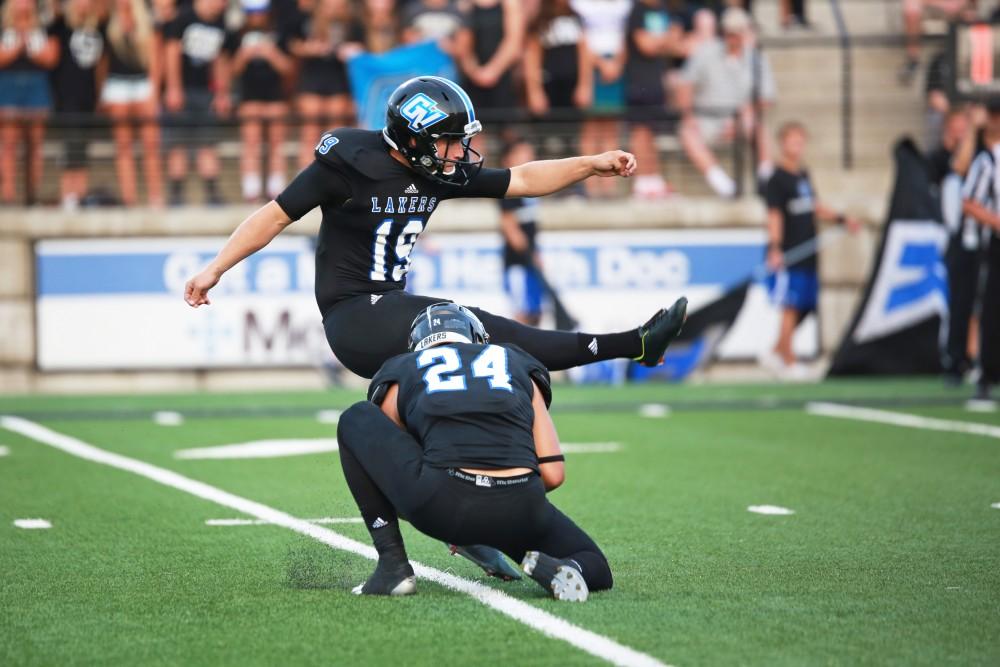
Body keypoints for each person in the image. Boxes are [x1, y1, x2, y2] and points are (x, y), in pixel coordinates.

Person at [184, 75, 688, 381]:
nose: (457, 153)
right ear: (414, 137)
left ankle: (462, 499)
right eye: (448, 141)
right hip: (353, 317)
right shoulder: (350, 161)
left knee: (488, 368)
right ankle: (631, 345)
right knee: (473, 325)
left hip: (388, 312)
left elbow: (524, 179)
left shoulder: (438, 173)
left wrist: (592, 162)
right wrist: (215, 268)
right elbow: (274, 215)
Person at [336, 302, 612, 599]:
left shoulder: (403, 367)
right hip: (521, 506)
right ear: (478, 337)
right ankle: (563, 567)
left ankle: (392, 567)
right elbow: (554, 473)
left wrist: (466, 510)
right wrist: (496, 507)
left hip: (444, 502)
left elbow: (390, 472)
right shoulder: (516, 361)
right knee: (593, 562)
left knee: (356, 418)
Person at [760, 121, 859, 380]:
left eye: (800, 141)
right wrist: (775, 248)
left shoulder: (803, 175)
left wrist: (841, 218)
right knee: (790, 306)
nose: (797, 147)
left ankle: (775, 352)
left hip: (808, 251)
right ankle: (788, 360)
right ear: (782, 144)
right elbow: (774, 215)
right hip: (789, 251)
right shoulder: (777, 180)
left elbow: (813, 206)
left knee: (803, 306)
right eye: (792, 141)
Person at [163, 0, 237, 206]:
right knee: (177, 143)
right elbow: (171, 53)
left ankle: (212, 193)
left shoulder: (221, 24)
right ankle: (176, 195)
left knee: (208, 143)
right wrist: (173, 88)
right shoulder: (183, 18)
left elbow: (220, 61)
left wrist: (222, 94)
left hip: (206, 93)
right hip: (183, 90)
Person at [102, 0, 164, 207]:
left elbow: (155, 59)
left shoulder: (147, 23)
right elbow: (103, 62)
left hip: (142, 84)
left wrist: (154, 93)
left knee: (150, 145)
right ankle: (129, 199)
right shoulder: (108, 23)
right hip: (116, 86)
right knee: (123, 147)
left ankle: (156, 198)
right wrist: (103, 93)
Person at [287, 0, 364, 168]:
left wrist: (352, 50)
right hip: (313, 77)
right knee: (310, 131)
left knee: (335, 132)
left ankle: (333, 174)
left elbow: (363, 48)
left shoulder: (353, 24)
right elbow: (291, 44)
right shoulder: (306, 20)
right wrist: (308, 48)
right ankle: (305, 175)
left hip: (339, 78)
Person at [957, 105, 1000, 404]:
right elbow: (968, 202)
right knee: (991, 310)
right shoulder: (986, 161)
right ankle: (986, 375)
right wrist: (996, 221)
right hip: (994, 243)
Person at [233, 0, 294, 203]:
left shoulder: (280, 34)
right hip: (249, 97)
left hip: (275, 97)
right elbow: (230, 70)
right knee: (251, 143)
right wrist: (244, 56)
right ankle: (251, 190)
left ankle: (276, 190)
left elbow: (289, 69)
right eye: (252, 12)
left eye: (260, 12)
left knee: (277, 144)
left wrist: (271, 54)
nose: (256, 17)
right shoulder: (237, 35)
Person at [0, 0, 60, 205]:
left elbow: (51, 57)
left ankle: (32, 194)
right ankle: (7, 195)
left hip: (36, 86)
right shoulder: (4, 28)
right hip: (8, 86)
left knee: (35, 144)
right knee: (8, 144)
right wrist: (18, 46)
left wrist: (30, 49)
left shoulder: (44, 27)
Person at [624, 0, 684, 200]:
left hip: (657, 79)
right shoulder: (637, 10)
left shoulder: (663, 9)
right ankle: (641, 181)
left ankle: (653, 178)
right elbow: (646, 45)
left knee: (652, 130)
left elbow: (676, 46)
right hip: (638, 79)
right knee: (640, 130)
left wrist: (663, 41)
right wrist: (667, 39)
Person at [571, 0, 630, 198]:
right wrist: (598, 67)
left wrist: (617, 65)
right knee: (591, 128)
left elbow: (624, 36)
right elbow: (582, 40)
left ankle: (608, 188)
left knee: (611, 128)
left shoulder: (623, 5)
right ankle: (591, 188)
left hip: (615, 67)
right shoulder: (580, 5)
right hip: (592, 68)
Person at [49, 0, 105, 209]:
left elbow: (101, 64)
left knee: (82, 148)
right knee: (68, 147)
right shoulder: (61, 25)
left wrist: (100, 95)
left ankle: (79, 195)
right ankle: (67, 195)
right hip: (65, 96)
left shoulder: (98, 28)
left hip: (87, 97)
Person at [498, 138, 544, 326]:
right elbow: (509, 226)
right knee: (522, 313)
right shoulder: (508, 186)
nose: (527, 157)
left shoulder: (531, 189)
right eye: (520, 154)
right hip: (518, 260)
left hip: (531, 257)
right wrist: (529, 254)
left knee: (537, 312)